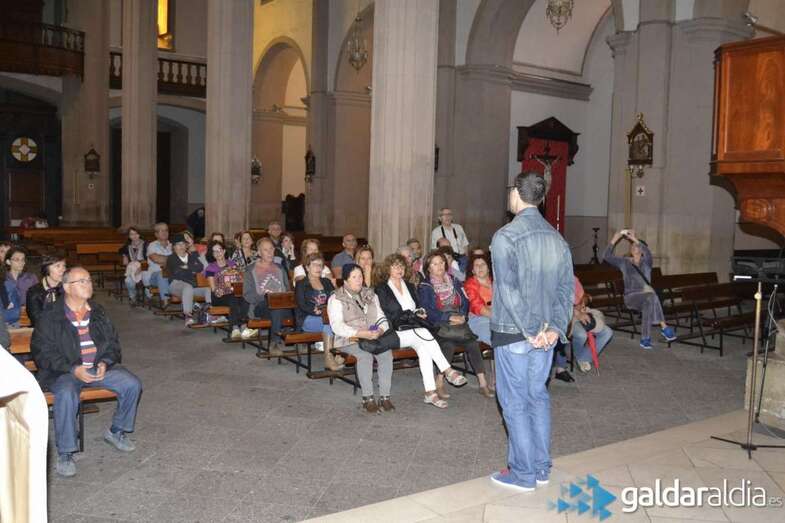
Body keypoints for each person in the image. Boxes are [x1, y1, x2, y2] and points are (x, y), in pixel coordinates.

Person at [489, 172, 574, 492]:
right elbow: (566, 291)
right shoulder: (557, 238)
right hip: (545, 335)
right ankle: (540, 467)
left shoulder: (505, 236)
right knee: (537, 396)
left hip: (515, 332)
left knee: (514, 402)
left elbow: (508, 291)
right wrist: (552, 328)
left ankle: (522, 473)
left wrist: (530, 330)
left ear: (516, 195)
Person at [31, 267, 142, 477]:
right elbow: (42, 352)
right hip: (64, 372)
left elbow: (112, 344)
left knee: (132, 384)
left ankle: (116, 432)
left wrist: (105, 362)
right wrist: (73, 368)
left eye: (89, 280)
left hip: (97, 367)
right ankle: (65, 452)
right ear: (66, 287)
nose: (88, 284)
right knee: (65, 394)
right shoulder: (51, 315)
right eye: (81, 281)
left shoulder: (97, 311)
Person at [376, 254, 467, 408]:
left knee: (425, 349)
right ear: (388, 269)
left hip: (414, 330)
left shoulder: (410, 286)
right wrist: (412, 315)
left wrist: (421, 312)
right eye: (395, 266)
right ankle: (448, 370)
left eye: (402, 266)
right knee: (425, 335)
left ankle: (430, 393)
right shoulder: (382, 288)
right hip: (396, 331)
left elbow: (419, 306)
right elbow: (390, 314)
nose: (399, 269)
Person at [418, 250, 493, 398]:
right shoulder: (425, 286)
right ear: (428, 268)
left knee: (472, 342)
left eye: (441, 262)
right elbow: (428, 311)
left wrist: (463, 316)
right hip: (438, 323)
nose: (439, 266)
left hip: (458, 321)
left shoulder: (454, 280)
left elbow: (465, 302)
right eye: (435, 264)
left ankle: (483, 383)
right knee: (449, 343)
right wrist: (448, 318)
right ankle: (439, 382)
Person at [328, 264, 394, 414]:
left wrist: (381, 329)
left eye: (361, 276)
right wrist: (359, 333)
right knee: (365, 356)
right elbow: (336, 326)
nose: (359, 280)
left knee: (386, 353)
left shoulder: (371, 295)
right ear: (345, 280)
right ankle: (368, 398)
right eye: (354, 277)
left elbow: (381, 317)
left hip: (371, 337)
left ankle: (384, 396)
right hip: (348, 339)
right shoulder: (336, 298)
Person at [603, 229, 676, 349]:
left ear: (642, 250)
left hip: (646, 297)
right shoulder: (624, 262)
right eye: (632, 245)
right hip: (630, 298)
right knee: (651, 296)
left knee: (648, 303)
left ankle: (645, 339)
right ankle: (664, 327)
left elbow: (647, 252)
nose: (633, 247)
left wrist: (634, 238)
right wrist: (615, 239)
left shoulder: (646, 262)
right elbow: (606, 257)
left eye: (636, 245)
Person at [294, 252, 344, 371]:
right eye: (314, 265)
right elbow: (301, 304)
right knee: (329, 324)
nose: (318, 268)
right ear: (307, 267)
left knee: (337, 322)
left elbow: (335, 298)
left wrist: (337, 289)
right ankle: (328, 358)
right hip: (308, 319)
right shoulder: (301, 284)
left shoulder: (326, 282)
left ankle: (339, 355)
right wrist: (313, 310)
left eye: (320, 265)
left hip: (326, 317)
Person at [243, 238, 292, 357]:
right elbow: (247, 294)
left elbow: (288, 289)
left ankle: (301, 337)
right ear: (259, 252)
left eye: (271, 249)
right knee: (275, 306)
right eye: (266, 250)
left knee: (298, 302)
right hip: (261, 306)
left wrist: (281, 298)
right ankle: (274, 343)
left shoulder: (280, 268)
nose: (270, 252)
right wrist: (266, 297)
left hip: (281, 304)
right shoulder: (250, 270)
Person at [205, 241, 252, 340]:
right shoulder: (210, 268)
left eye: (220, 250)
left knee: (244, 298)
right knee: (234, 298)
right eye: (215, 252)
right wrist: (222, 288)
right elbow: (214, 289)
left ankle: (241, 327)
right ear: (212, 254)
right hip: (219, 296)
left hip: (233, 293)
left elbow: (239, 280)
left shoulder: (232, 264)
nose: (218, 253)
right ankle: (237, 327)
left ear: (224, 251)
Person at [166, 234, 211, 326]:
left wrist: (187, 268)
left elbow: (200, 267)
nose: (181, 246)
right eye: (178, 244)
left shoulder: (191, 256)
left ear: (186, 246)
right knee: (188, 287)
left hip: (192, 285)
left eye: (183, 244)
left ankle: (209, 314)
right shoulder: (171, 258)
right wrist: (192, 270)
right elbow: (178, 272)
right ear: (174, 247)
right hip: (175, 285)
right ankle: (188, 316)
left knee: (207, 289)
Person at [571, 277, 614, 372]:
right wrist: (575, 311)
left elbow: (582, 296)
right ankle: (577, 357)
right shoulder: (553, 277)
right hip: (567, 318)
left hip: (581, 312)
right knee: (581, 335)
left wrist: (583, 302)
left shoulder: (574, 279)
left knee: (607, 332)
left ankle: (583, 358)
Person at [26, 256, 66, 328]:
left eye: (64, 266)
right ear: (46, 269)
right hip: (43, 332)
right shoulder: (34, 291)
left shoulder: (68, 289)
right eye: (58, 266)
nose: (63, 270)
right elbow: (36, 319)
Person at [2, 247, 37, 325]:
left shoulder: (31, 278)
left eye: (23, 259)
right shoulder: (2, 279)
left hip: (28, 316)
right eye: (17, 260)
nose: (21, 262)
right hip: (8, 317)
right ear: (8, 262)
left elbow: (37, 299)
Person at [464, 254, 493, 345]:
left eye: (483, 264)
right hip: (478, 319)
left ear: (488, 268)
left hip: (498, 318)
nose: (480, 267)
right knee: (498, 339)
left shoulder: (496, 282)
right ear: (473, 270)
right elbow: (477, 306)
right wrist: (498, 317)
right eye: (476, 265)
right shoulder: (469, 285)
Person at [143, 222, 172, 306]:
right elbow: (156, 259)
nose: (164, 232)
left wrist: (166, 259)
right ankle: (165, 301)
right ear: (156, 234)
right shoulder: (152, 246)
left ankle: (188, 306)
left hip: (172, 274)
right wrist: (173, 259)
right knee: (161, 274)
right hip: (155, 277)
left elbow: (181, 259)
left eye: (166, 230)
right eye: (161, 231)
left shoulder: (173, 245)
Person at [120, 226, 148, 306]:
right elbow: (120, 250)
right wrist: (124, 255)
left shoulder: (145, 244)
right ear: (129, 236)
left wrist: (141, 268)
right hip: (132, 268)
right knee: (128, 281)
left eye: (136, 234)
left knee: (145, 278)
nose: (134, 236)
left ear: (139, 234)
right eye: (131, 234)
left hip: (143, 267)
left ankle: (148, 296)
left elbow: (149, 258)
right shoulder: (128, 245)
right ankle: (133, 297)